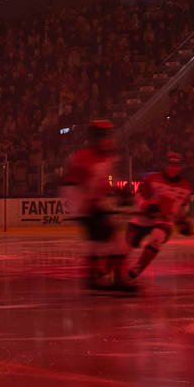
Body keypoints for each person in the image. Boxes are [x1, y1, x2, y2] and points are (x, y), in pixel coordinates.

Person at [61, 120, 132, 292]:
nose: (111, 140)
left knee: (97, 244)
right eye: (107, 137)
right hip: (88, 209)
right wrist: (85, 205)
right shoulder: (81, 159)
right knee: (116, 242)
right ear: (97, 138)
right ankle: (118, 281)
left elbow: (108, 179)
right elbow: (72, 186)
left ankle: (93, 280)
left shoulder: (108, 158)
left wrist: (117, 189)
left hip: (94, 207)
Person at [126, 152, 193, 282]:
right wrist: (146, 206)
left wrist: (183, 223)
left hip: (164, 220)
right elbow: (138, 195)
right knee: (127, 245)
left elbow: (179, 210)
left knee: (157, 237)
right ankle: (107, 268)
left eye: (176, 165)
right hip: (144, 217)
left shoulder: (186, 187)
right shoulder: (152, 179)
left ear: (180, 167)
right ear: (166, 165)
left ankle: (138, 268)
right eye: (170, 165)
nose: (173, 168)